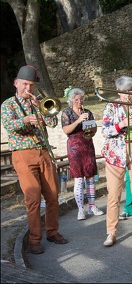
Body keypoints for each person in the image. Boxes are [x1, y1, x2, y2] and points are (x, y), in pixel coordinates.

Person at [1, 65, 68, 255]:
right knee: (33, 198)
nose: (28, 89)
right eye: (24, 84)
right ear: (16, 83)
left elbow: (53, 123)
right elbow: (9, 125)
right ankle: (34, 240)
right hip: (23, 155)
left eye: (31, 85)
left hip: (43, 152)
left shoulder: (38, 102)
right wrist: (25, 120)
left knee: (53, 195)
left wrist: (41, 109)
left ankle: (52, 232)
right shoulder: (8, 104)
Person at [100, 75, 132, 247]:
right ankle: (111, 232)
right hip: (116, 154)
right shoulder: (111, 107)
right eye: (126, 91)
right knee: (114, 194)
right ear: (119, 92)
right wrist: (121, 124)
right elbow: (105, 131)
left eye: (131, 90)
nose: (129, 94)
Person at [61, 86, 104, 221]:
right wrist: (79, 121)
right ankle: (80, 209)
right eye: (77, 100)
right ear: (71, 100)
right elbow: (66, 130)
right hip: (75, 148)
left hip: (87, 146)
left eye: (82, 99)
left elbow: (93, 132)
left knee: (90, 177)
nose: (80, 102)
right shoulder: (66, 112)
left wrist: (90, 125)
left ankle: (92, 206)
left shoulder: (88, 112)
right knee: (79, 179)